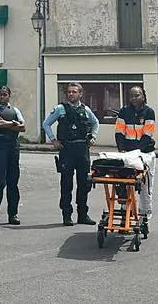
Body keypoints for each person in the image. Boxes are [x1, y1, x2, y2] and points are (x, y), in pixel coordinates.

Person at [43, 82, 100, 226]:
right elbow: (46, 124)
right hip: (67, 149)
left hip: (82, 149)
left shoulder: (86, 109)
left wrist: (93, 136)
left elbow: (96, 123)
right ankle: (66, 215)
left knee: (84, 184)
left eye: (74, 92)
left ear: (80, 94)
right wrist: (53, 140)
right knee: (66, 184)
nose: (71, 94)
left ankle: (82, 215)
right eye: (69, 92)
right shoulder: (60, 109)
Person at [115, 85, 157, 221]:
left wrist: (137, 152)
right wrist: (122, 149)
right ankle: (125, 213)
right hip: (128, 153)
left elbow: (147, 135)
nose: (133, 98)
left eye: (137, 95)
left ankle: (145, 214)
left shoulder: (149, 112)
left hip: (145, 154)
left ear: (143, 96)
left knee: (145, 185)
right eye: (131, 95)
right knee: (124, 182)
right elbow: (119, 132)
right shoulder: (124, 112)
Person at [0, 85, 25, 227]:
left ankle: (13, 214)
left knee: (13, 181)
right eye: (0, 95)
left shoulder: (15, 110)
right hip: (0, 146)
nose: (2, 97)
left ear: (9, 95)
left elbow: (23, 127)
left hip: (13, 146)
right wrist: (13, 124)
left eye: (5, 95)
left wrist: (11, 124)